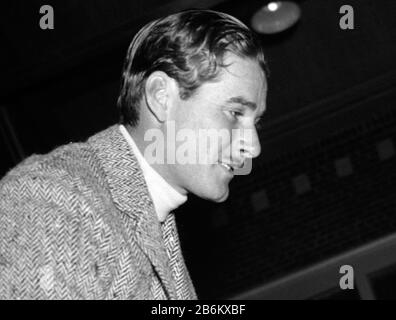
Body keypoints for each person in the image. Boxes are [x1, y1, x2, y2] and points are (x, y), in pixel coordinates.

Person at [0, 9, 268, 299]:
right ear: (161, 97)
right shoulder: (54, 199)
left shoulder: (154, 223)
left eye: (255, 122)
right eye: (234, 113)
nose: (253, 146)